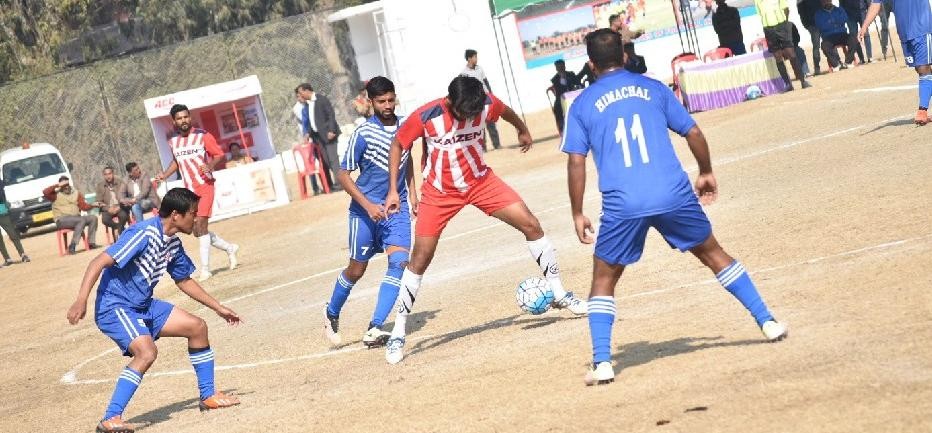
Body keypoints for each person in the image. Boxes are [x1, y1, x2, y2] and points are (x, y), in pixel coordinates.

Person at [561, 29, 788, 386]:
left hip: (624, 203)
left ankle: (603, 362)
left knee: (604, 278)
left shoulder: (583, 103)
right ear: (623, 56)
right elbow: (693, 133)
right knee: (713, 254)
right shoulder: (653, 88)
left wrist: (577, 212)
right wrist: (706, 171)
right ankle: (768, 321)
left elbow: (576, 161)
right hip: (672, 193)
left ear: (590, 64)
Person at [381, 76, 588, 365]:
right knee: (420, 259)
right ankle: (399, 332)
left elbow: (505, 112)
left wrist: (523, 130)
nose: (470, 116)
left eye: (474, 112)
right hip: (440, 192)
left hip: (481, 182)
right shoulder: (427, 115)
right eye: (464, 112)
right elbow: (398, 144)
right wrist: (394, 190)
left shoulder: (484, 103)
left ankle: (560, 293)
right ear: (450, 102)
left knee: (531, 224)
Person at [66, 188, 241, 433]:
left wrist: (218, 307)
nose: (197, 218)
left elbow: (184, 280)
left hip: (143, 305)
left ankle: (208, 395)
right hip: (115, 306)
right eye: (193, 213)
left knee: (197, 327)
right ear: (177, 216)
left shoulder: (172, 243)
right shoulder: (144, 234)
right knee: (146, 352)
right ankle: (110, 418)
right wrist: (81, 299)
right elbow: (99, 261)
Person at [323, 77, 417, 348]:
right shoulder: (363, 134)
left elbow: (406, 160)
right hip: (364, 212)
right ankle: (331, 312)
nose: (387, 106)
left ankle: (375, 327)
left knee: (399, 263)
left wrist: (412, 194)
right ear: (370, 101)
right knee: (356, 270)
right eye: (381, 101)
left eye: (391, 100)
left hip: (396, 208)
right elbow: (342, 175)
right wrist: (367, 205)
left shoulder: (405, 126)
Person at [156, 104, 239, 282]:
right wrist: (164, 175)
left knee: (201, 224)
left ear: (190, 117)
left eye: (186, 117)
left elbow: (218, 154)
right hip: (189, 191)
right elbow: (176, 162)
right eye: (179, 118)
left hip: (205, 186)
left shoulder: (203, 135)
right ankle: (229, 248)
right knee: (197, 230)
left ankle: (206, 270)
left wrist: (209, 166)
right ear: (174, 121)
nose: (183, 120)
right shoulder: (173, 141)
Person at [860, 0, 932, 125]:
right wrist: (865, 25)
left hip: (922, 28)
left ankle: (922, 110)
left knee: (923, 68)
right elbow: (876, 3)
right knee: (919, 69)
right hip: (904, 33)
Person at [294, 83, 343, 192]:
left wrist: (331, 130)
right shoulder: (307, 104)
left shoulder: (321, 99)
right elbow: (311, 122)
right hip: (318, 138)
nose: (301, 96)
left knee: (333, 160)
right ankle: (335, 183)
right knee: (326, 161)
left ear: (307, 91)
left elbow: (331, 115)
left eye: (301, 93)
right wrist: (308, 134)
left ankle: (340, 184)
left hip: (329, 135)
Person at [753, 0, 812, 90]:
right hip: (768, 29)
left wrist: (785, 24)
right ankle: (788, 84)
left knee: (791, 54)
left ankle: (803, 81)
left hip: (781, 25)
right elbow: (760, 14)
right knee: (777, 57)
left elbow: (786, 9)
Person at [43, 176, 99, 254]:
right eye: (64, 185)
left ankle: (91, 243)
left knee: (93, 218)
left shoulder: (76, 193)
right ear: (60, 186)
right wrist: (58, 185)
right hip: (62, 220)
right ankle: (72, 245)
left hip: (76, 218)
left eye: (67, 184)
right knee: (81, 220)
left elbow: (83, 206)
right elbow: (45, 192)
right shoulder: (55, 195)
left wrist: (92, 205)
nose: (66, 187)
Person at [460, 49, 502, 151]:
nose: (476, 59)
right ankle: (483, 147)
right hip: (476, 101)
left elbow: (485, 82)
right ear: (469, 58)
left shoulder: (480, 69)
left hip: (486, 99)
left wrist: (491, 95)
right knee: (480, 125)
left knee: (490, 122)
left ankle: (497, 144)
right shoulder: (464, 74)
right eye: (475, 57)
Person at [816, 0, 859, 70]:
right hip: (829, 37)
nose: (826, 2)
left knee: (853, 39)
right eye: (824, 1)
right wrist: (835, 22)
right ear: (821, 2)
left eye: (828, 1)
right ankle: (836, 65)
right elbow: (821, 26)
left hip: (842, 33)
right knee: (824, 46)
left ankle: (848, 62)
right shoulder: (818, 14)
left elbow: (844, 19)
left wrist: (829, 22)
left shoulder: (839, 9)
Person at [0, 177, 29, 266]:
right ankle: (8, 259)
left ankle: (22, 254)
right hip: (2, 209)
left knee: (12, 234)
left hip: (2, 210)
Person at [549, 59, 583, 135]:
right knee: (557, 107)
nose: (560, 68)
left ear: (564, 66)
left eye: (562, 66)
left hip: (574, 97)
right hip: (562, 99)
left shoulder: (571, 74)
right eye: (558, 67)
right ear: (556, 68)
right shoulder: (554, 79)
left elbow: (577, 83)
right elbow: (560, 91)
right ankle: (562, 128)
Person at [96, 165, 129, 237]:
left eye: (109, 174)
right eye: (106, 174)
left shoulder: (120, 182)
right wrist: (108, 208)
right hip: (108, 208)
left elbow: (125, 196)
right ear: (103, 175)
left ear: (113, 173)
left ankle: (118, 233)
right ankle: (118, 228)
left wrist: (119, 206)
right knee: (105, 220)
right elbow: (98, 202)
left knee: (123, 216)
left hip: (120, 207)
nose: (108, 176)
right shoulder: (100, 186)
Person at [798, 0, 824, 75]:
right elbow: (801, 13)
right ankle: (817, 68)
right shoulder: (801, 1)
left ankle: (836, 62)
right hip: (812, 25)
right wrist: (808, 26)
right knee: (816, 46)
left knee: (829, 40)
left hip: (823, 21)